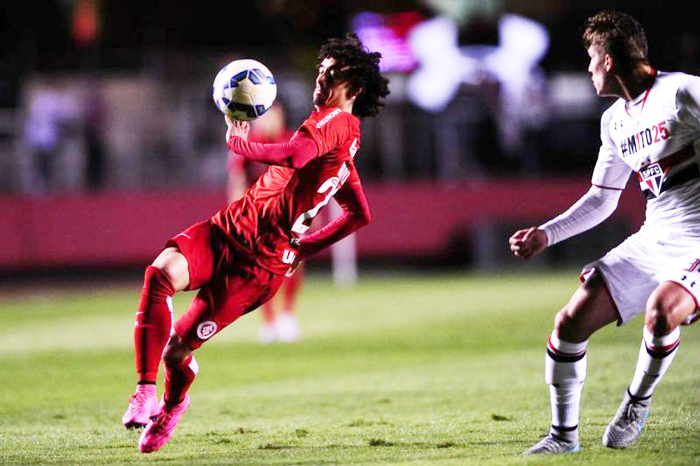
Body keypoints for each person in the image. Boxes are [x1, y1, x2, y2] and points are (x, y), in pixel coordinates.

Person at [121, 33, 390, 454]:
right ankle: (143, 392)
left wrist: (238, 142)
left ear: (354, 88)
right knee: (159, 274)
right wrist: (305, 247)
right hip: (229, 229)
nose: (322, 79)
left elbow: (295, 155)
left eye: (333, 74)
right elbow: (360, 212)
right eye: (321, 70)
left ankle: (172, 405)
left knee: (177, 351)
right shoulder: (345, 141)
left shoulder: (333, 123)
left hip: (256, 268)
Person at [509, 10, 700, 455]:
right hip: (655, 236)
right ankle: (563, 438)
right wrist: (546, 234)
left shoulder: (683, 92)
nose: (589, 69)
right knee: (569, 322)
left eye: (591, 59)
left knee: (660, 311)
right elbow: (602, 199)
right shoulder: (614, 121)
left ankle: (637, 401)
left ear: (609, 60)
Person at [227, 102, 305, 345]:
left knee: (293, 262)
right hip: (258, 214)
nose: (268, 120)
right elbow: (237, 179)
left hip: (288, 213)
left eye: (273, 115)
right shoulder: (249, 144)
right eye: (264, 116)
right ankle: (270, 321)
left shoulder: (292, 141)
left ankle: (287, 314)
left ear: (281, 116)